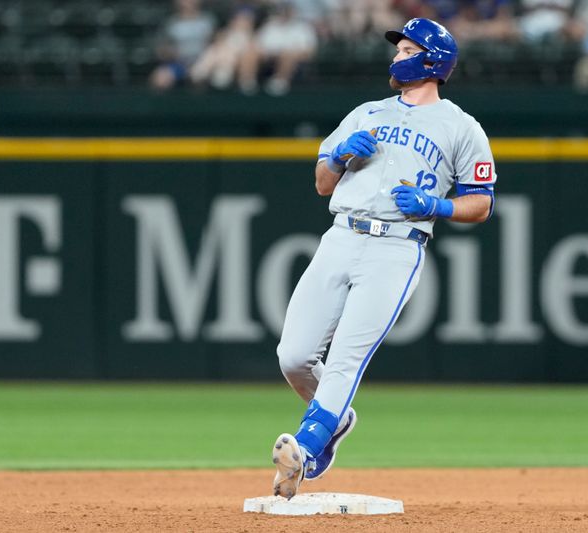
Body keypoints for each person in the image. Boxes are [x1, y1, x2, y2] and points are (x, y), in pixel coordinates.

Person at [271, 17, 497, 500]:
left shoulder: (462, 127)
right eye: (398, 50)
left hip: (397, 248)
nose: (396, 56)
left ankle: (308, 449)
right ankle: (337, 419)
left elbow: (481, 201)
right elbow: (321, 183)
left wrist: (437, 206)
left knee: (346, 358)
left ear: (433, 60)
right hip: (342, 235)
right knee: (292, 355)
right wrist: (335, 158)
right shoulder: (366, 112)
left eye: (406, 49)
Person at [149, 0, 217, 91]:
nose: (188, 2)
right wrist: (168, 52)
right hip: (178, 64)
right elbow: (161, 49)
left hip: (202, 63)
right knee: (160, 79)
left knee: (199, 77)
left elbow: (215, 45)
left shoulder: (208, 20)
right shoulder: (171, 22)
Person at [189, 6, 258, 93]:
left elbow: (251, 51)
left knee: (227, 57)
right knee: (214, 51)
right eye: (239, 19)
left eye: (246, 20)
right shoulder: (225, 33)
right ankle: (201, 70)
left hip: (234, 61)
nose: (242, 22)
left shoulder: (252, 36)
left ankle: (222, 72)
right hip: (218, 56)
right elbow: (217, 44)